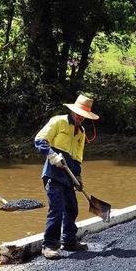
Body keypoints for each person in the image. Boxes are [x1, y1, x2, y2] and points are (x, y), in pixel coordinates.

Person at [35, 94, 100, 259]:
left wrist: (78, 177)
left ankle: (69, 241)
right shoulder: (58, 121)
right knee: (56, 209)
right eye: (79, 114)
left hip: (68, 176)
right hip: (53, 174)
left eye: (83, 116)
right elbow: (40, 140)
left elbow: (78, 157)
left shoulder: (81, 132)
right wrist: (53, 156)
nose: (80, 118)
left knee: (72, 208)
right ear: (73, 111)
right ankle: (49, 245)